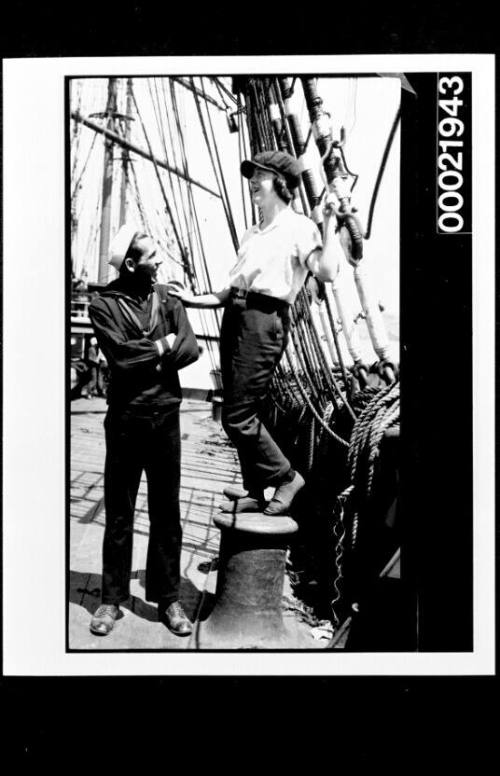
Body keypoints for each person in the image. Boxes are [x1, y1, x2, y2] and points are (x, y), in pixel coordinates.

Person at [170, 150, 345, 517]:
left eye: (259, 176)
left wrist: (328, 225)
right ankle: (255, 490)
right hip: (235, 317)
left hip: (264, 321)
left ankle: (286, 477)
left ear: (280, 184)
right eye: (251, 175)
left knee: (238, 414)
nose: (253, 182)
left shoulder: (300, 227)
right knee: (236, 411)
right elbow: (231, 287)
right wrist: (193, 299)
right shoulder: (253, 232)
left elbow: (326, 272)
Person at [87, 223, 199, 637]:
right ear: (132, 264)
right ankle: (110, 600)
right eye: (152, 257)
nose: (159, 262)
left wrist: (152, 354)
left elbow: (190, 346)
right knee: (119, 513)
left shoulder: (168, 297)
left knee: (167, 513)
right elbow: (120, 358)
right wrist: (161, 347)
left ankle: (168, 599)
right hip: (125, 421)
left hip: (165, 418)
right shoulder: (103, 306)